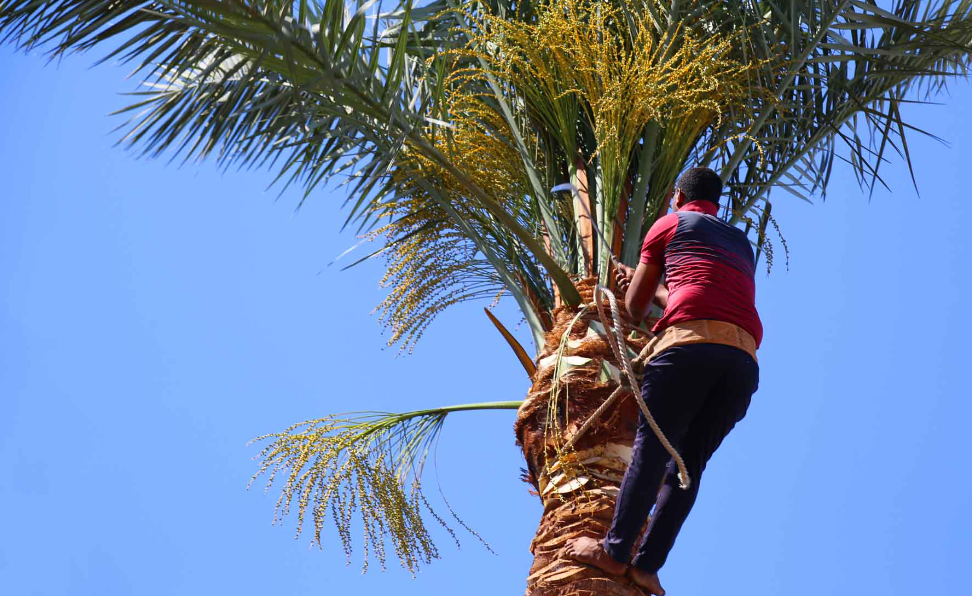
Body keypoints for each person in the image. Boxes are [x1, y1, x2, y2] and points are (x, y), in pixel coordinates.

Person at [564, 167, 763, 595]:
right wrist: (647, 281)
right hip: (741, 363)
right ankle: (647, 568)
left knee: (651, 452)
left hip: (686, 352)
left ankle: (615, 554)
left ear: (677, 196)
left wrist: (632, 281)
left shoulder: (669, 224)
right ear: (716, 201)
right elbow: (694, 296)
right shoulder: (740, 242)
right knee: (688, 466)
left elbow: (634, 311)